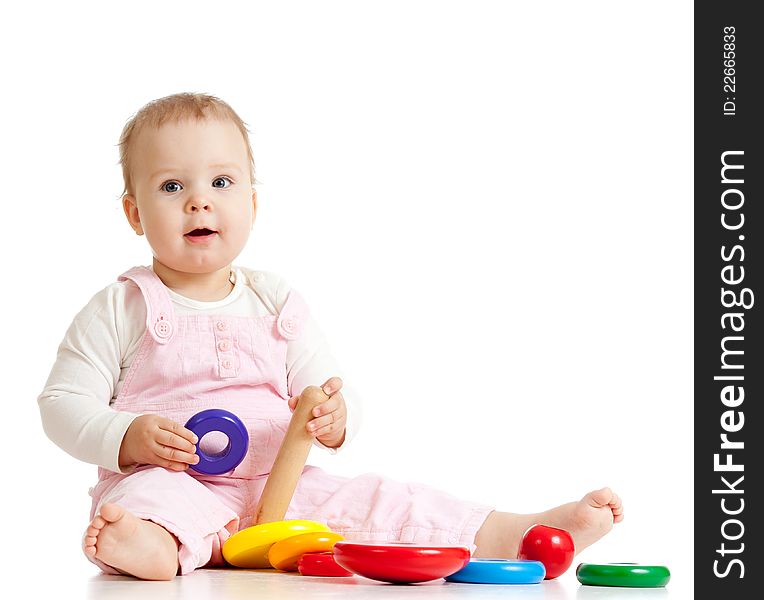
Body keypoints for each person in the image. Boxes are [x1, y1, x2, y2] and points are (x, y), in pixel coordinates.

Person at [37, 92, 624, 581]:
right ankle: (145, 549)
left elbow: (327, 387)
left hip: (281, 489)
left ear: (252, 203)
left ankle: (518, 532)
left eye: (221, 181)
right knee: (141, 505)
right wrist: (126, 436)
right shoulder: (120, 306)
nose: (199, 200)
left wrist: (336, 419)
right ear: (134, 214)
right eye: (171, 187)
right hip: (173, 485)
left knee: (385, 501)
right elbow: (61, 404)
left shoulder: (277, 303)